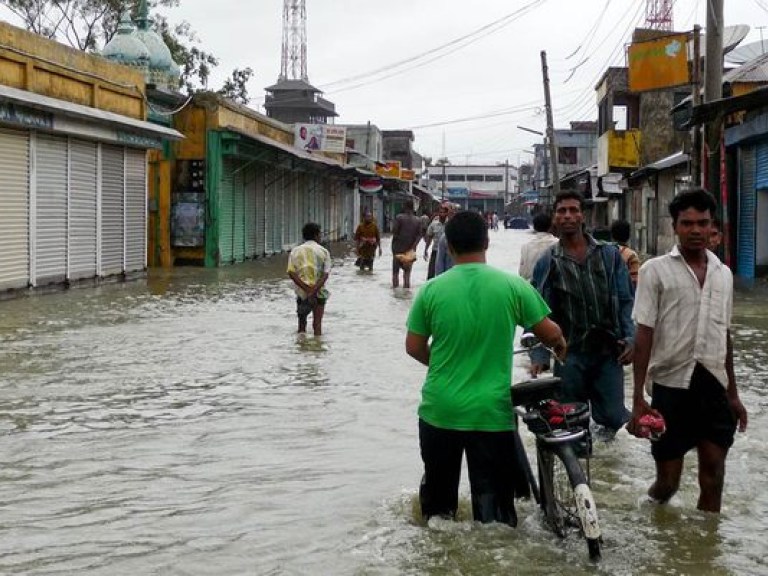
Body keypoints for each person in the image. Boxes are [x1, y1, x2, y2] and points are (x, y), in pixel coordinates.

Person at [405, 210, 567, 525]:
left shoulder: (431, 291)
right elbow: (550, 334)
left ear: (448, 246)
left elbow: (413, 347)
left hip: (440, 410)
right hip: (491, 414)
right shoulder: (512, 286)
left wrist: (442, 363)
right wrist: (560, 346)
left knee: (438, 511)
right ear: (487, 242)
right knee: (495, 515)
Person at [627, 188, 747, 513]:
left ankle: (706, 553)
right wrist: (638, 398)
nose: (695, 230)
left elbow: (725, 335)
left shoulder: (724, 274)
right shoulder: (654, 271)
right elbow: (644, 335)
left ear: (712, 227)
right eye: (687, 223)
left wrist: (733, 395)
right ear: (675, 226)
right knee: (668, 482)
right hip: (671, 387)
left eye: (703, 223)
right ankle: (649, 511)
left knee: (713, 473)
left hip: (714, 387)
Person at [531, 191, 635, 441]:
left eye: (573, 210)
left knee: (612, 418)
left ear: (582, 216)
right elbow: (538, 310)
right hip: (570, 354)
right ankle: (581, 469)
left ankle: (606, 470)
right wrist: (540, 354)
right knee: (571, 422)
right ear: (555, 218)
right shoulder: (547, 261)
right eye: (562, 211)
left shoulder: (610, 255)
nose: (568, 216)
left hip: (608, 352)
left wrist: (632, 338)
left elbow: (625, 301)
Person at [287, 222, 331, 336]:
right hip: (319, 293)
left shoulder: (295, 251)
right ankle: (317, 350)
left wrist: (306, 289)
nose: (321, 237)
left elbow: (291, 273)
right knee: (317, 325)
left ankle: (301, 348)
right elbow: (325, 275)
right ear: (316, 235)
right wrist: (314, 290)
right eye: (320, 234)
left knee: (301, 326)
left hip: (302, 293)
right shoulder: (324, 251)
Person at [391, 200, 423, 289]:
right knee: (407, 274)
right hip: (410, 250)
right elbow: (420, 235)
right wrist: (413, 246)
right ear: (413, 208)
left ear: (404, 207)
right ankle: (406, 294)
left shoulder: (399, 218)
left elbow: (394, 232)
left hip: (398, 249)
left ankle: (395, 294)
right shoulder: (418, 220)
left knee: (395, 273)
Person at [518, 212, 558, 281]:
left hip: (531, 287)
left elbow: (522, 273)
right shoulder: (558, 244)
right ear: (550, 227)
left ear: (534, 227)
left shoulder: (526, 247)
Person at [423, 202, 451, 279]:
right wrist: (426, 250)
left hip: (448, 253)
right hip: (435, 251)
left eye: (443, 212)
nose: (441, 214)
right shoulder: (433, 224)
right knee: (431, 273)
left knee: (446, 273)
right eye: (440, 212)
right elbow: (429, 237)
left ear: (446, 213)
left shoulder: (450, 224)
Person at [610, 219, 640, 290]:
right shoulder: (631, 255)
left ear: (612, 235)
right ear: (628, 235)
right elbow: (635, 282)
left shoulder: (606, 252)